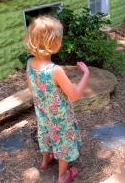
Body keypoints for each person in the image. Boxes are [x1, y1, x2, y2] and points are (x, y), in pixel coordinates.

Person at [25, 16, 90, 183]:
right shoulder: (56, 70)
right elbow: (75, 95)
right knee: (63, 142)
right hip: (60, 118)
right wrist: (86, 74)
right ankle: (62, 177)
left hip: (43, 113)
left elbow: (32, 89)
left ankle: (45, 162)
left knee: (46, 134)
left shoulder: (30, 63)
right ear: (53, 43)